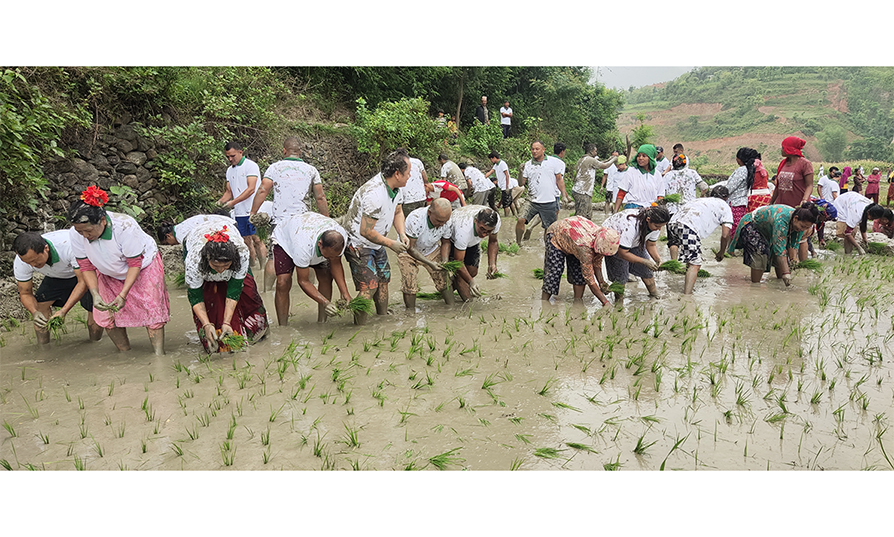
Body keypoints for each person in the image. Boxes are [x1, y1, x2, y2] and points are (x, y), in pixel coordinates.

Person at [68, 186, 169, 355]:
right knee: (107, 315)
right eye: (80, 231)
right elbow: (86, 265)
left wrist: (123, 294)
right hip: (108, 272)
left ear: (103, 221)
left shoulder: (125, 227)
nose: (84, 235)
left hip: (142, 267)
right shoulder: (76, 233)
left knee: (151, 310)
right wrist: (94, 293)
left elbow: (135, 263)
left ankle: (159, 357)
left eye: (89, 230)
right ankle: (125, 354)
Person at [344, 149, 411, 324]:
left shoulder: (396, 188)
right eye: (408, 173)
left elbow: (398, 211)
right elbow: (365, 231)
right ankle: (359, 327)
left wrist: (401, 233)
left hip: (377, 241)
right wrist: (391, 243)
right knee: (369, 286)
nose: (410, 176)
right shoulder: (374, 194)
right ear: (397, 174)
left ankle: (383, 319)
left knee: (383, 280)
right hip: (358, 243)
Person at [183, 222, 267, 353]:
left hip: (228, 233)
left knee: (249, 295)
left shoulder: (242, 253)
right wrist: (206, 324)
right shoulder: (194, 261)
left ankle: (254, 331)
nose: (221, 270)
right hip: (197, 239)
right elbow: (196, 297)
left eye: (226, 265)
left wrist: (226, 323)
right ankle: (213, 341)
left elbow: (234, 291)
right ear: (207, 259)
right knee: (212, 303)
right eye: (216, 266)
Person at [13, 230, 103, 344]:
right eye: (28, 263)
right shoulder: (22, 262)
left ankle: (95, 344)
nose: (33, 265)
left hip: (86, 273)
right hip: (57, 276)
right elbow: (25, 293)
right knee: (40, 306)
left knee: (94, 308)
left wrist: (63, 311)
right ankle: (44, 348)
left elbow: (83, 281)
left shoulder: (69, 246)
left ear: (46, 248)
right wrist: (34, 312)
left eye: (35, 260)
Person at [271, 211, 352, 325]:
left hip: (310, 227)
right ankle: (283, 326)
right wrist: (325, 302)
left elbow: (336, 264)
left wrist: (345, 293)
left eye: (333, 256)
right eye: (327, 255)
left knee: (326, 276)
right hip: (286, 238)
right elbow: (303, 281)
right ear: (320, 244)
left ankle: (322, 322)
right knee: (283, 282)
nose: (330, 258)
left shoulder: (340, 237)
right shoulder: (303, 247)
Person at [726, 203, 819, 286]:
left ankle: (779, 282)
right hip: (753, 225)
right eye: (802, 226)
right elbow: (779, 250)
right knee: (761, 253)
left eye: (806, 228)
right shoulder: (781, 220)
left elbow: (793, 245)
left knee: (781, 259)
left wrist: (793, 259)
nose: (803, 229)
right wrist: (786, 273)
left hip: (769, 231)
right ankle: (755, 286)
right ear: (796, 218)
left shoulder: (799, 226)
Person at [667, 186, 734, 294]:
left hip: (672, 223)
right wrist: (721, 252)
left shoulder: (700, 200)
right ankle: (687, 296)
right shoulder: (725, 206)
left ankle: (684, 282)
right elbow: (725, 235)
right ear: (726, 198)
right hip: (688, 226)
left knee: (691, 256)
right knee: (695, 263)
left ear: (711, 195)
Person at [541, 215, 619, 306]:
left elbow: (597, 263)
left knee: (578, 275)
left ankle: (577, 303)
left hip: (574, 238)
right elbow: (589, 278)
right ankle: (544, 303)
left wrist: (601, 282)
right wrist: (605, 302)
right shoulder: (585, 248)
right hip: (557, 234)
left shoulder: (603, 239)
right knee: (554, 271)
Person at [601, 206, 670, 299]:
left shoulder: (655, 226)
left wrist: (658, 259)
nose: (659, 229)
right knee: (621, 276)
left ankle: (654, 294)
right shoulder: (631, 225)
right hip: (612, 240)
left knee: (647, 271)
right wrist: (644, 261)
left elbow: (651, 245)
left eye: (661, 226)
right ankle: (619, 302)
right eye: (657, 226)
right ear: (648, 220)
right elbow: (622, 253)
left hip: (633, 242)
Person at [399, 198, 455, 309]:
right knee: (409, 284)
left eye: (444, 221)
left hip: (430, 248)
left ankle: (451, 307)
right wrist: (429, 263)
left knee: (443, 280)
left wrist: (445, 260)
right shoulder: (416, 219)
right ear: (430, 213)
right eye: (439, 221)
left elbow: (446, 242)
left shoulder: (447, 221)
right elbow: (411, 248)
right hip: (408, 251)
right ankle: (411, 314)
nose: (441, 224)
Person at [218, 142, 266, 269]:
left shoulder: (251, 166)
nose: (230, 159)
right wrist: (219, 203)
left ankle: (263, 268)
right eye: (227, 156)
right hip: (239, 212)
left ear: (240, 152)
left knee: (257, 240)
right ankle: (251, 268)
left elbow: (251, 189)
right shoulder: (229, 171)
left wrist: (233, 202)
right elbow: (229, 192)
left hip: (253, 210)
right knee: (245, 241)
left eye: (232, 156)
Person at [447, 205, 500, 301]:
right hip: (453, 240)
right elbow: (459, 262)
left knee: (472, 271)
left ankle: (448, 287)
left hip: (472, 241)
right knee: (461, 276)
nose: (484, 234)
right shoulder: (463, 231)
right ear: (476, 221)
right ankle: (468, 304)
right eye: (482, 229)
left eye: (488, 231)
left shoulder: (496, 221)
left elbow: (493, 241)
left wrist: (492, 264)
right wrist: (471, 282)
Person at [517, 141, 561, 243]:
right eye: (532, 149)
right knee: (520, 219)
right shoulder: (528, 165)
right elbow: (521, 184)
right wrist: (520, 172)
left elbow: (559, 179)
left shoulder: (552, 162)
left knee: (549, 228)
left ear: (543, 150)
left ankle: (548, 247)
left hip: (549, 200)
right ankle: (518, 244)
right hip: (532, 200)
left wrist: (564, 193)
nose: (534, 151)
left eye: (537, 149)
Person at [614, 144, 665, 213]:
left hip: (651, 210)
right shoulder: (631, 172)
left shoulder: (657, 175)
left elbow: (660, 195)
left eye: (644, 156)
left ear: (650, 158)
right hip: (632, 209)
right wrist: (615, 212)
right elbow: (621, 194)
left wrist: (656, 208)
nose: (640, 158)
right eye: (638, 156)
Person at [571, 143, 617, 220]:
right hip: (582, 191)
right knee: (581, 217)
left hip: (580, 190)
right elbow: (605, 166)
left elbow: (600, 163)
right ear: (591, 151)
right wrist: (614, 159)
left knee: (588, 215)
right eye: (595, 151)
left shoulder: (583, 159)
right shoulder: (590, 160)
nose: (596, 153)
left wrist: (609, 159)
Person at [770, 136, 814, 209]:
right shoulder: (783, 163)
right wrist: (771, 203)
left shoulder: (805, 164)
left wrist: (804, 200)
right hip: (781, 206)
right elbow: (778, 186)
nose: (781, 150)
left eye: (783, 147)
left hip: (797, 206)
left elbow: (809, 185)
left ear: (790, 149)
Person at [483, 151, 512, 216]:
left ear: (494, 158)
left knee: (505, 203)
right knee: (508, 200)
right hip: (502, 185)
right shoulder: (496, 165)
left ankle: (506, 215)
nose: (491, 160)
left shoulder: (502, 164)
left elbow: (507, 175)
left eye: (491, 159)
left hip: (506, 185)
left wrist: (507, 186)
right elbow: (490, 172)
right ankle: (513, 214)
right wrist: (484, 177)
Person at [549, 142, 572, 208]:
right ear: (562, 152)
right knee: (555, 212)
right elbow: (559, 180)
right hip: (554, 193)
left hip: (544, 191)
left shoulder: (547, 159)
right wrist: (565, 196)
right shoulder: (560, 163)